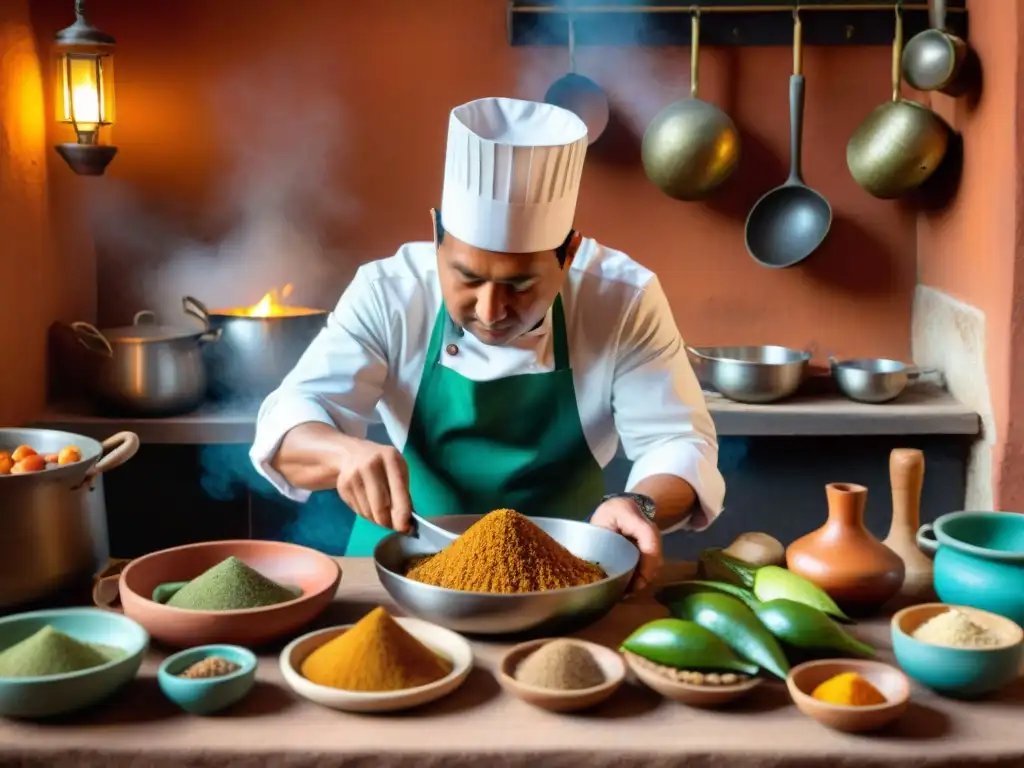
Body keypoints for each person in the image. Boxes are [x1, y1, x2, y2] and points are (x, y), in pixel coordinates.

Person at [250, 96, 725, 590]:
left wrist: (638, 503)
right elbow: (290, 420)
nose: (491, 310)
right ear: (436, 235)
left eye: (521, 285)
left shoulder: (623, 298)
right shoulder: (389, 291)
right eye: (468, 278)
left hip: (561, 576)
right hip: (400, 572)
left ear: (569, 254)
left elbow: (678, 441)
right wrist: (341, 452)